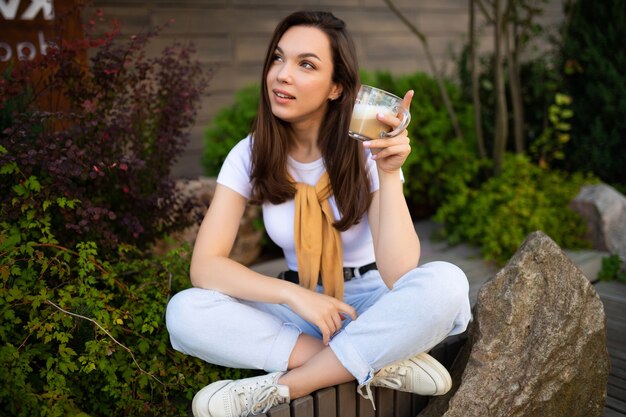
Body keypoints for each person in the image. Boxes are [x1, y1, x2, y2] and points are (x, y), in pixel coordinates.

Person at [166, 10, 471, 417]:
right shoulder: (250, 152)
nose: (282, 75)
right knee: (185, 311)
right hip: (300, 310)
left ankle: (280, 389)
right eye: (278, 58)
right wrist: (295, 296)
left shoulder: (367, 147)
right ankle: (378, 361)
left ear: (336, 87)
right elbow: (205, 267)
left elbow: (400, 272)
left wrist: (389, 172)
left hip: (372, 302)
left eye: (305, 64)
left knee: (446, 283)